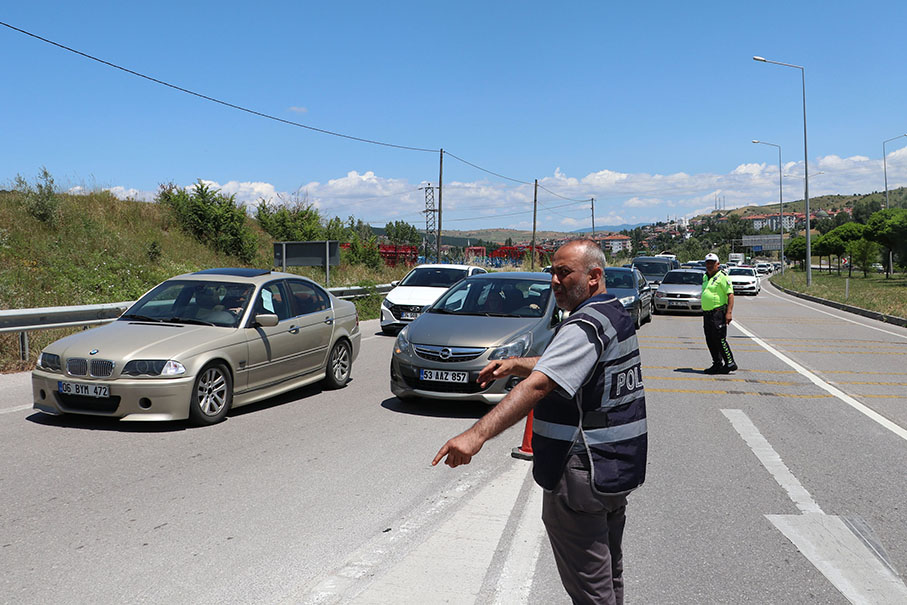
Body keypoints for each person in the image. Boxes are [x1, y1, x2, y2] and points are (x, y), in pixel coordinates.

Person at [432, 239, 648, 605]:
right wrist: (519, 363)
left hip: (582, 473)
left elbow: (541, 384)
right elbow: (571, 366)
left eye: (564, 272)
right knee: (608, 578)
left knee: (591, 593)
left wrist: (475, 435)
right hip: (614, 468)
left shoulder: (584, 324)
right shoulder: (613, 313)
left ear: (594, 276)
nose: (554, 281)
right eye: (552, 271)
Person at [701, 252, 737, 374]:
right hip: (707, 314)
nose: (710, 265)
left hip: (718, 313)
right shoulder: (705, 276)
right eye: (708, 263)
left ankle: (730, 363)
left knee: (720, 339)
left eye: (712, 263)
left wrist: (729, 313)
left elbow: (730, 295)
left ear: (718, 264)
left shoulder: (723, 277)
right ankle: (717, 364)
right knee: (710, 340)